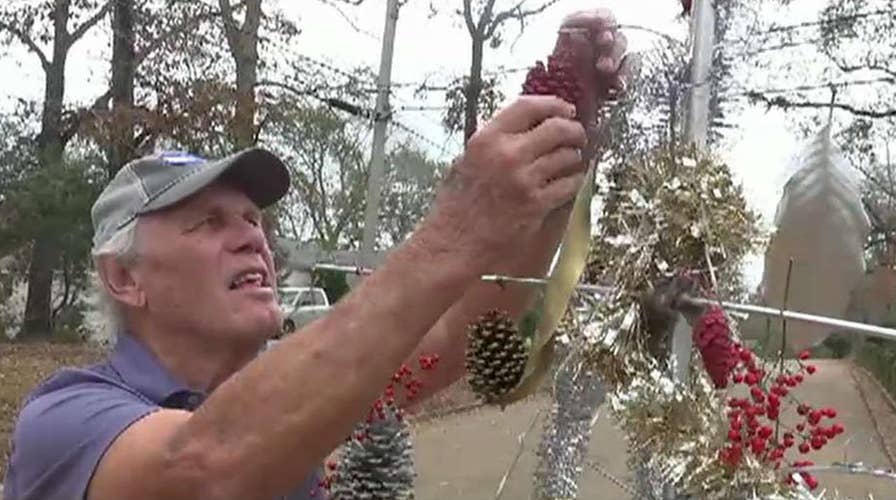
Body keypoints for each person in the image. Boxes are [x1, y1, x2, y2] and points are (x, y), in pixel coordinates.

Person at [2, 9, 628, 500]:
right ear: (124, 277)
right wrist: (457, 226)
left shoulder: (308, 385)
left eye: (252, 218)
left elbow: (459, 334)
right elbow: (203, 468)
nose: (252, 236)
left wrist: (556, 170)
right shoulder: (65, 419)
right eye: (208, 223)